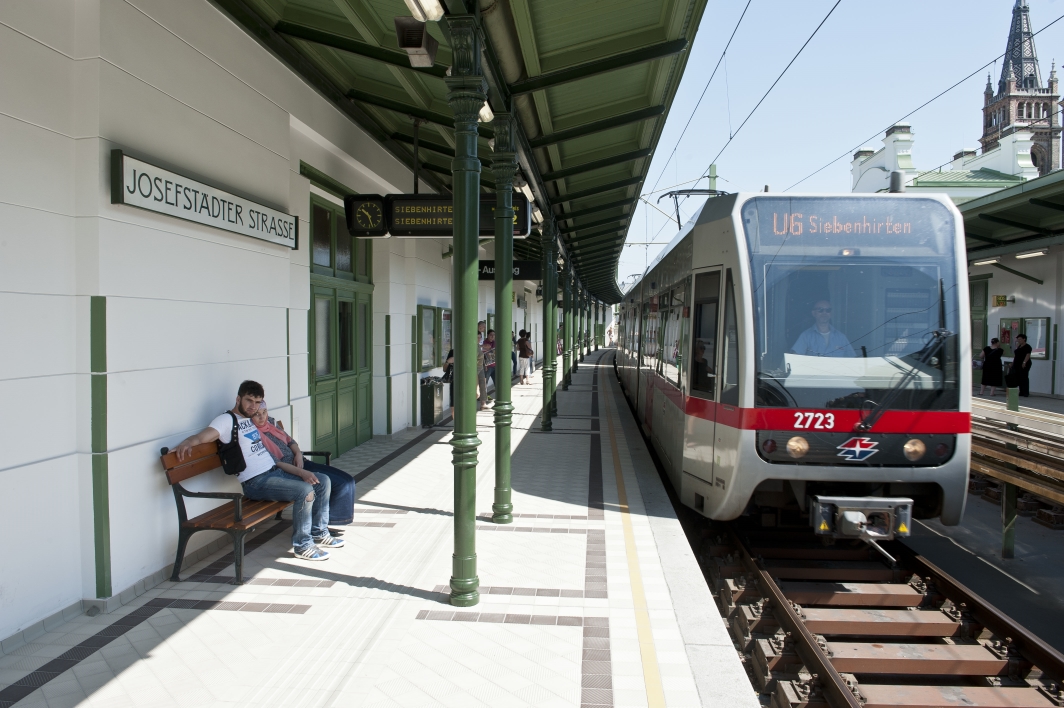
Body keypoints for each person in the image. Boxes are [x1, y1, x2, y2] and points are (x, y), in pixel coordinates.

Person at [174, 380, 341, 562]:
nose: (253, 406)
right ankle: (303, 545)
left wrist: (301, 471)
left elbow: (274, 456)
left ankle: (319, 531)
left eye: (258, 402)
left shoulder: (250, 420)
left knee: (322, 480)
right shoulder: (227, 421)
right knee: (306, 491)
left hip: (275, 472)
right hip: (256, 482)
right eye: (249, 401)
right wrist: (188, 442)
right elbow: (204, 435)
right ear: (238, 399)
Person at [252, 401, 356, 526]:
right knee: (331, 483)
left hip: (300, 462)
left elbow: (291, 441)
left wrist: (298, 455)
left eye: (264, 412)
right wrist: (302, 472)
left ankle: (330, 521)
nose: (262, 417)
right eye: (257, 414)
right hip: (287, 472)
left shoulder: (271, 422)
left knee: (348, 481)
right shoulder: (253, 434)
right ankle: (326, 523)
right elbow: (276, 462)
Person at [791, 300, 855, 357]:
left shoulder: (841, 338)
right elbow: (795, 360)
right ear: (813, 313)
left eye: (828, 310)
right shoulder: (805, 336)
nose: (824, 313)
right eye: (820, 310)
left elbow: (853, 361)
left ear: (831, 313)